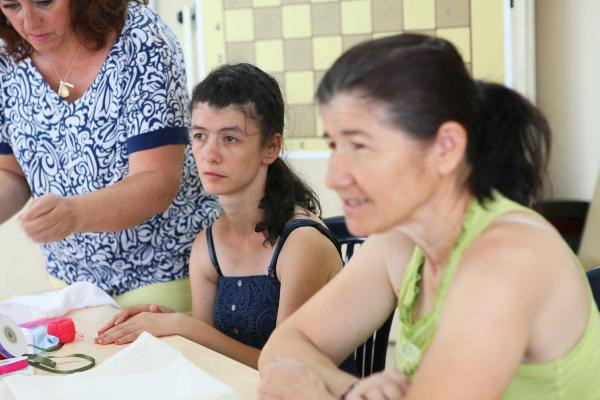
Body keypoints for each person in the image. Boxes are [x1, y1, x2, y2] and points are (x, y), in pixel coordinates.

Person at [257, 34, 600, 399]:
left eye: (359, 145)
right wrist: (351, 391)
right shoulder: (400, 239)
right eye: (334, 145)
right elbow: (284, 347)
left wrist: (317, 394)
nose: (334, 177)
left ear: (446, 148)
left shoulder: (506, 261)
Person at [94, 63, 344, 369]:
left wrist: (184, 327)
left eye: (229, 139)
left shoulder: (301, 243)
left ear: (271, 147)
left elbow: (286, 367)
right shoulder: (207, 244)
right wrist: (170, 322)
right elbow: (210, 355)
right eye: (200, 135)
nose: (209, 154)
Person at [0, 1, 219, 311]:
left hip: (165, 274)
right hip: (71, 284)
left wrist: (74, 214)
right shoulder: (8, 58)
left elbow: (156, 181)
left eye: (44, 1)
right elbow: (12, 173)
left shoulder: (140, 38)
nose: (29, 21)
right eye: (11, 5)